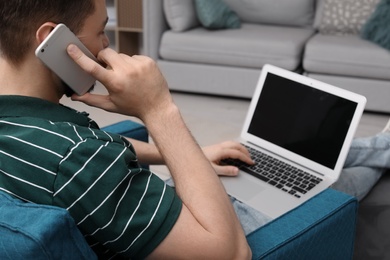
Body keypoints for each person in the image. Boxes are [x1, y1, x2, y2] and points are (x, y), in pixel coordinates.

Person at [0, 0, 388, 258]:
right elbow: (231, 253)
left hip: (146, 210)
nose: (105, 46)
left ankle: (379, 145)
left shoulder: (40, 133)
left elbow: (79, 157)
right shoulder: (77, 158)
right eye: (101, 30)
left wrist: (189, 155)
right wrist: (158, 108)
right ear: (52, 39)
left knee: (276, 156)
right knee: (341, 184)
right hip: (199, 232)